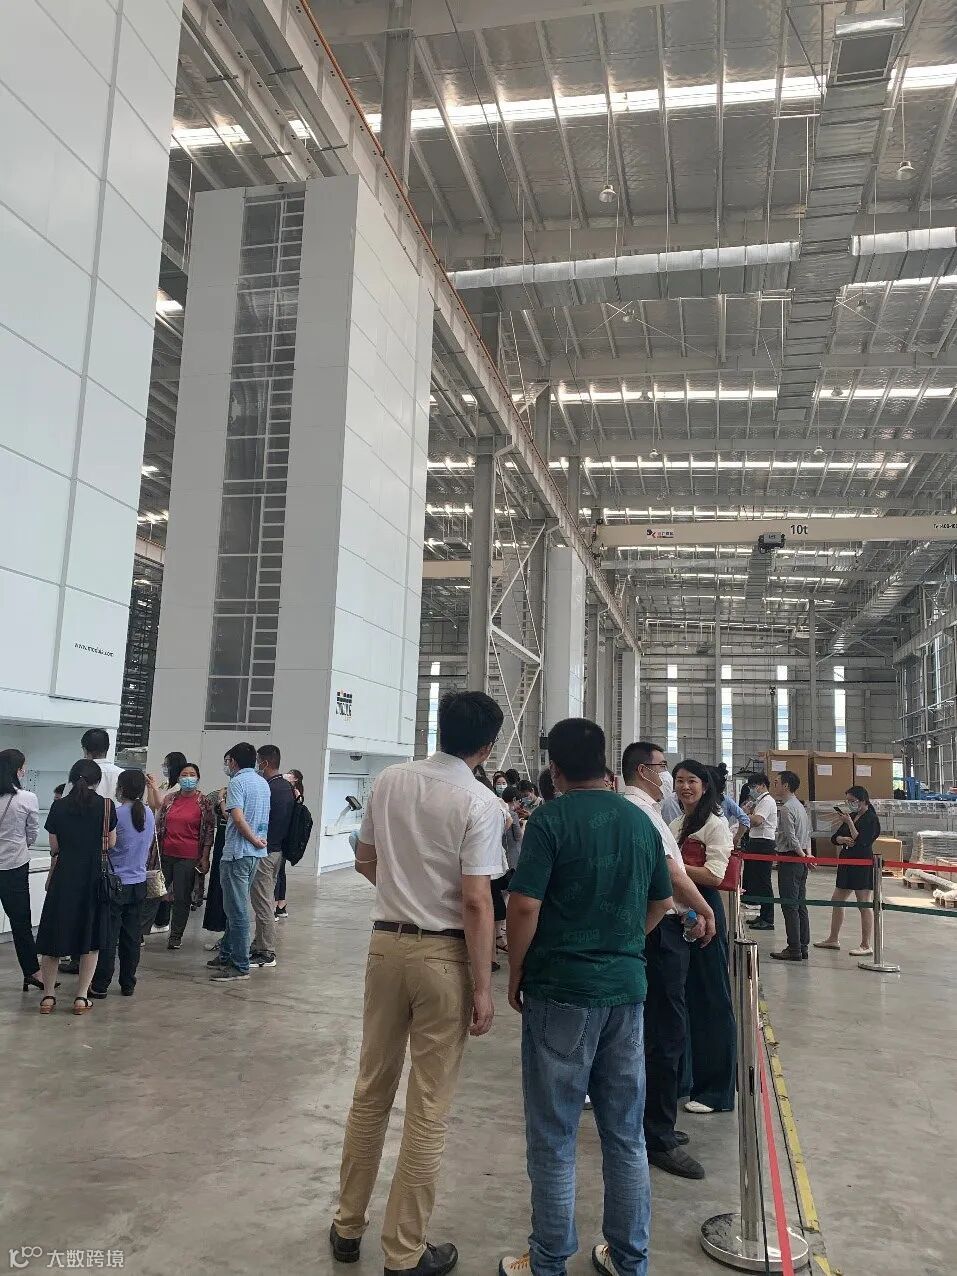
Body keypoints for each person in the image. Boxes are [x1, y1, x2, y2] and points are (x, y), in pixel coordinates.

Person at [330, 691, 504, 1276]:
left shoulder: (389, 781)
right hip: (443, 956)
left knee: (370, 1088)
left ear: (438, 729)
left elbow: (364, 858)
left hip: (385, 946)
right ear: (487, 747)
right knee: (429, 1105)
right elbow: (477, 901)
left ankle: (346, 1224)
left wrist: (400, 892)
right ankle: (404, 1251)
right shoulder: (480, 802)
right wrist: (482, 987)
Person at [499, 719, 674, 1276]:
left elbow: (524, 905)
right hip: (626, 991)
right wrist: (622, 944)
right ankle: (629, 1259)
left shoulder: (549, 820)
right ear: (606, 764)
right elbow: (661, 903)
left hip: (560, 990)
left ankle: (549, 1261)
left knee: (554, 1136)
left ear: (555, 769)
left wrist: (517, 970)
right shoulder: (640, 820)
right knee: (625, 1135)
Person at [620, 742, 717, 1180]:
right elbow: (673, 875)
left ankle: (653, 1122)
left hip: (659, 925)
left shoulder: (648, 811)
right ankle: (656, 1134)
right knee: (665, 1032)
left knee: (657, 1030)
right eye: (665, 769)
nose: (672, 779)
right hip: (659, 932)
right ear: (644, 771)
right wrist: (704, 908)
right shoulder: (643, 812)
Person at [670, 760, 736, 1116]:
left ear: (705, 786)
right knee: (683, 997)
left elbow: (714, 875)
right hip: (680, 912)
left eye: (691, 780)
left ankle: (716, 1089)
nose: (685, 787)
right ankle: (686, 1078)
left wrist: (674, 868)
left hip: (705, 909)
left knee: (711, 999)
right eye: (679, 780)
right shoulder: (677, 824)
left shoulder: (715, 825)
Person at [35, 760, 117, 1014]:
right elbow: (110, 843)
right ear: (97, 781)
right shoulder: (106, 806)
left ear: (71, 779)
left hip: (63, 877)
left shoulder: (59, 806)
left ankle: (48, 997)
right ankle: (81, 998)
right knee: (90, 939)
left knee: (53, 936)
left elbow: (55, 847)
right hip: (93, 879)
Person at [207, 743, 269, 983]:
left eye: (228, 761)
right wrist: (257, 840)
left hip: (238, 853)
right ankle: (226, 954)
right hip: (254, 853)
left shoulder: (237, 782)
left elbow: (239, 818)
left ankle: (240, 965)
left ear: (233, 761)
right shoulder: (262, 783)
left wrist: (251, 838)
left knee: (237, 912)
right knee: (235, 907)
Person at [90, 769, 155, 998]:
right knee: (131, 938)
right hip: (139, 883)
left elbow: (106, 845)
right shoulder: (148, 813)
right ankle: (128, 983)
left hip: (115, 884)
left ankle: (100, 984)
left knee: (108, 936)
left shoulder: (115, 814)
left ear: (121, 789)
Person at [151, 763, 216, 951]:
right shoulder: (170, 799)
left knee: (181, 898)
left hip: (188, 857)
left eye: (192, 774)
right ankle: (139, 932)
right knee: (154, 893)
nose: (188, 778)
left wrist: (205, 857)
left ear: (198, 778)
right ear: (179, 778)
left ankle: (175, 937)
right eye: (184, 774)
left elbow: (209, 831)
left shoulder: (204, 802)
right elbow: (159, 820)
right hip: (165, 854)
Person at [814, 785, 881, 957]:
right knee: (837, 900)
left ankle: (866, 944)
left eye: (853, 801)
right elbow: (834, 838)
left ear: (863, 801)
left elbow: (863, 840)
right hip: (846, 862)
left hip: (861, 863)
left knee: (863, 903)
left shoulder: (871, 819)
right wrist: (842, 838)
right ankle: (833, 938)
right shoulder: (850, 815)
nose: (850, 804)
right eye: (848, 801)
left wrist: (850, 823)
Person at [0, 748, 45, 991]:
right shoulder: (27, 798)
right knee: (21, 922)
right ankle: (32, 972)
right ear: (18, 770)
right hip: (14, 865)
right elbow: (32, 832)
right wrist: (20, 844)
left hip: (13, 862)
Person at [250, 745, 295, 968]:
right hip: (277, 851)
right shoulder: (286, 787)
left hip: (265, 851)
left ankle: (266, 951)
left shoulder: (269, 789)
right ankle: (258, 943)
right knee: (265, 899)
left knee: (263, 903)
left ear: (265, 763)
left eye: (258, 761)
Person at [769, 771, 813, 963]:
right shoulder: (800, 806)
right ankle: (802, 946)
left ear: (786, 785)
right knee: (800, 903)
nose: (775, 785)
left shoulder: (787, 808)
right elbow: (807, 834)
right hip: (800, 859)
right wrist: (807, 855)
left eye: (777, 782)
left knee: (790, 905)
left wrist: (802, 855)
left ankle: (794, 947)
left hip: (791, 858)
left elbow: (791, 837)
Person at [742, 771, 777, 930]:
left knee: (764, 882)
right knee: (756, 880)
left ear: (762, 785)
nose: (752, 789)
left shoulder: (767, 801)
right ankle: (762, 915)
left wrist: (744, 814)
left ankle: (768, 919)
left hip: (763, 843)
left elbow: (757, 821)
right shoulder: (759, 801)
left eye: (753, 786)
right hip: (756, 842)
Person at [275, 768, 304, 920]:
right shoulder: (291, 792)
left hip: (284, 837)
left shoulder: (294, 793)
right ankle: (281, 904)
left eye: (291, 774)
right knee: (280, 871)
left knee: (277, 872)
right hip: (287, 836)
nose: (287, 775)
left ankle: (276, 904)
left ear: (296, 779)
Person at [202, 786, 229, 947]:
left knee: (231, 896)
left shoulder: (240, 788)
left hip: (233, 847)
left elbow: (231, 816)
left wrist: (221, 799)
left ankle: (230, 942)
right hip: (223, 843)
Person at [710, 763, 751, 846]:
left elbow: (745, 819)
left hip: (719, 843)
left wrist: (736, 839)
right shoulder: (725, 800)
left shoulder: (725, 800)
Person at [77, 729, 122, 800]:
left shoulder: (78, 772)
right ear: (108, 747)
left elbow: (66, 801)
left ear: (84, 749)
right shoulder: (121, 773)